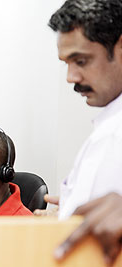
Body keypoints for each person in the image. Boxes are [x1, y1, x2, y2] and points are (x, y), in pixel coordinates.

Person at [46, 0, 122, 264]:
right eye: (66, 62)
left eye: (81, 61)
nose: (71, 77)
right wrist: (70, 206)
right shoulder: (108, 124)